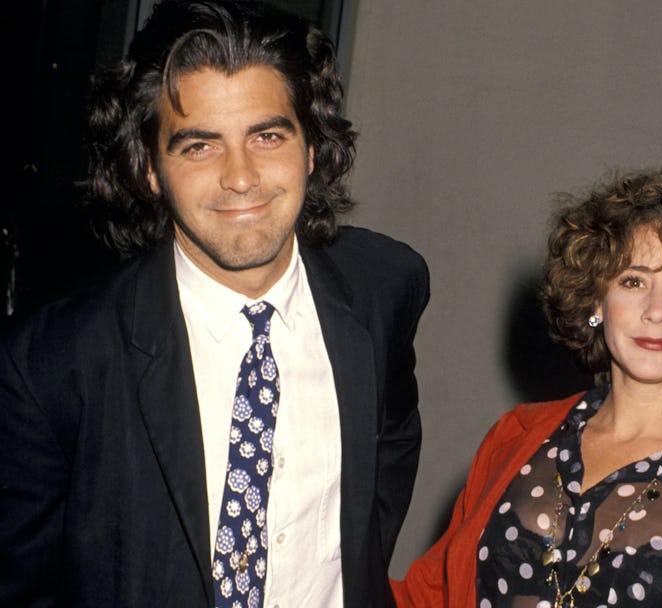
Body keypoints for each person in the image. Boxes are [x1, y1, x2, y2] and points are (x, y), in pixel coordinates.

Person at [0, 1, 429, 607]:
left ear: (311, 147)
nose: (241, 177)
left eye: (268, 135)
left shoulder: (385, 285)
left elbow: (391, 441)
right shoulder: (53, 362)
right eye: (199, 146)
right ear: (149, 167)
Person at [392, 162, 662, 607]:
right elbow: (430, 595)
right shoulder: (515, 437)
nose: (656, 311)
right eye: (633, 281)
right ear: (598, 299)